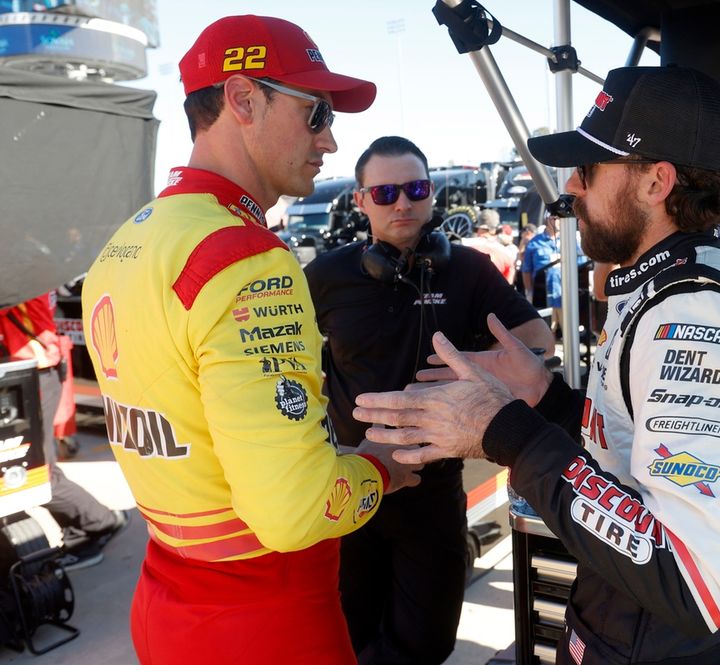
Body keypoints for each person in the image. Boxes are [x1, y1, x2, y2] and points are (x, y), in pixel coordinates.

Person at [354, 66, 720, 665]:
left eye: (588, 171)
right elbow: (633, 464)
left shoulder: (696, 314)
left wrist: (501, 427)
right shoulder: (667, 290)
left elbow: (692, 583)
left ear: (656, 182)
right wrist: (550, 401)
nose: (572, 190)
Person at [80, 16, 419, 664]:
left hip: (165, 599)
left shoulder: (131, 239)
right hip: (265, 618)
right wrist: (383, 466)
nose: (331, 139)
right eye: (316, 112)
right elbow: (295, 510)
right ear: (242, 99)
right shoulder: (246, 259)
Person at [304, 136, 553, 665]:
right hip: (352, 483)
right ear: (360, 200)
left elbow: (536, 339)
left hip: (434, 487)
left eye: (416, 189)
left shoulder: (466, 269)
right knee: (351, 632)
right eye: (386, 191)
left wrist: (477, 375)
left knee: (428, 641)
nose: (403, 203)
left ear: (431, 195)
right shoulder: (326, 277)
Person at [0, 292, 128, 568]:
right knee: (35, 468)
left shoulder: (19, 273)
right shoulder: (29, 266)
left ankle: (97, 524)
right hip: (29, 370)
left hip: (29, 373)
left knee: (33, 472)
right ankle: (95, 522)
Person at [521, 215, 563, 322]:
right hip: (542, 298)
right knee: (548, 332)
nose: (559, 221)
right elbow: (526, 270)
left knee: (569, 334)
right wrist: (529, 293)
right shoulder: (534, 243)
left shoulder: (569, 240)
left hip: (566, 298)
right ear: (547, 219)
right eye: (556, 218)